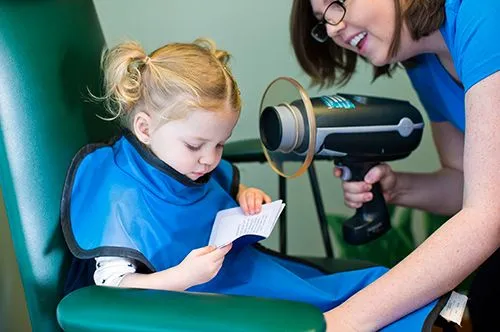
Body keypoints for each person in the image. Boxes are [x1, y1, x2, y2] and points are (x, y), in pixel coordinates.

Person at [60, 38, 441, 331]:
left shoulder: (193, 165)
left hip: (230, 272)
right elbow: (111, 288)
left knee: (362, 291)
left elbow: (215, 190)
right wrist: (183, 276)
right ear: (144, 128)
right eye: (196, 145)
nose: (211, 159)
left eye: (220, 144)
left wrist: (244, 197)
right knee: (311, 311)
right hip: (179, 302)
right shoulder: (117, 192)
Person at [290, 0, 500, 331]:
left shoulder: (484, 14)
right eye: (322, 21)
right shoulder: (425, 67)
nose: (333, 29)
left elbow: (487, 216)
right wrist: (398, 186)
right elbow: (466, 182)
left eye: (339, 3)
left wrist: (343, 321)